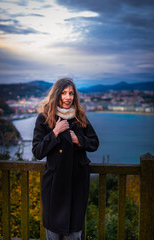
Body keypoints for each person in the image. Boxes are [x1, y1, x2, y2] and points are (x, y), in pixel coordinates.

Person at [32, 78, 99, 240]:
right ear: (56, 95)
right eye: (63, 93)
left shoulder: (80, 117)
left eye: (71, 93)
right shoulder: (44, 118)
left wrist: (78, 140)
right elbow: (37, 151)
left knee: (74, 233)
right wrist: (54, 132)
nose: (68, 97)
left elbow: (94, 143)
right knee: (53, 233)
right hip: (54, 184)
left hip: (77, 182)